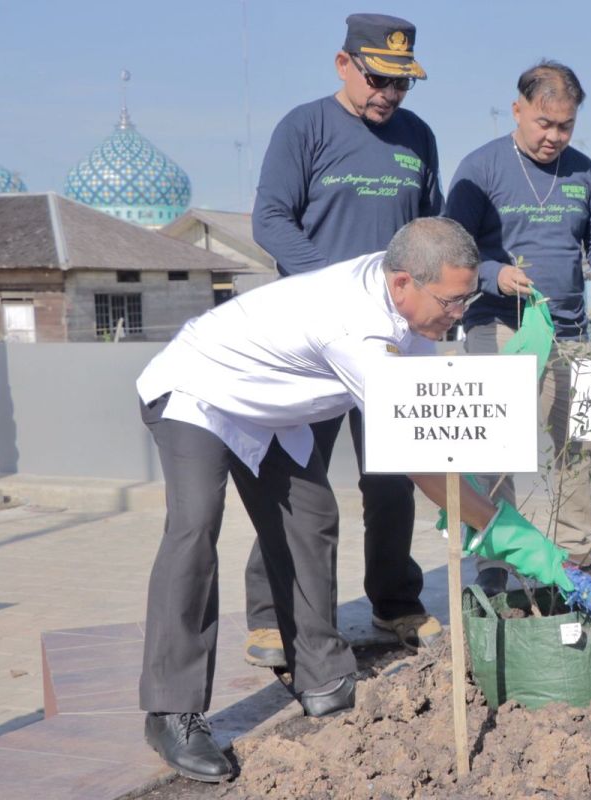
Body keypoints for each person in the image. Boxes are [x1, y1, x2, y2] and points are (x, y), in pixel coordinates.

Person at [137, 218, 527, 782]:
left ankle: (321, 676)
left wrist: (482, 505)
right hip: (199, 391)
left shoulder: (410, 297)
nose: (460, 312)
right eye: (452, 300)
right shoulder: (357, 328)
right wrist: (501, 530)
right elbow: (416, 456)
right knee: (195, 525)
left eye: (467, 297)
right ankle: (172, 711)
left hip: (268, 406)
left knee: (312, 517)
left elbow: (433, 422)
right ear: (402, 284)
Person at [247, 12, 443, 665]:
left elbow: (426, 232)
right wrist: (336, 286)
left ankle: (394, 601)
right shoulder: (304, 128)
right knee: (293, 473)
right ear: (343, 64)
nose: (388, 94)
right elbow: (269, 219)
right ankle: (273, 612)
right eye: (377, 79)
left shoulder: (418, 137)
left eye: (401, 83)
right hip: (313, 334)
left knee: (392, 477)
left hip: (391, 340)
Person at [444, 60, 591, 594]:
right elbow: (453, 253)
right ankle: (497, 559)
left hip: (571, 329)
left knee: (581, 443)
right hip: (501, 327)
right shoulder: (480, 169)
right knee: (496, 446)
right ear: (518, 110)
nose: (554, 137)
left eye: (565, 126)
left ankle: (574, 553)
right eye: (544, 123)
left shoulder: (585, 172)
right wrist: (494, 274)